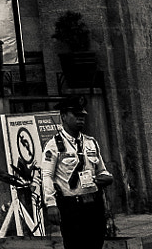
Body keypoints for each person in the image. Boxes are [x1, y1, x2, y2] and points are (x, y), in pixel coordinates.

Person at [41, 101, 115, 247]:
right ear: (63, 117)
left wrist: (106, 178)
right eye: (76, 115)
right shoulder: (53, 145)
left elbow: (101, 170)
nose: (80, 118)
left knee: (96, 243)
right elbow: (47, 175)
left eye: (82, 115)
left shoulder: (91, 143)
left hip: (94, 204)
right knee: (75, 244)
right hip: (71, 206)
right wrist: (50, 204)